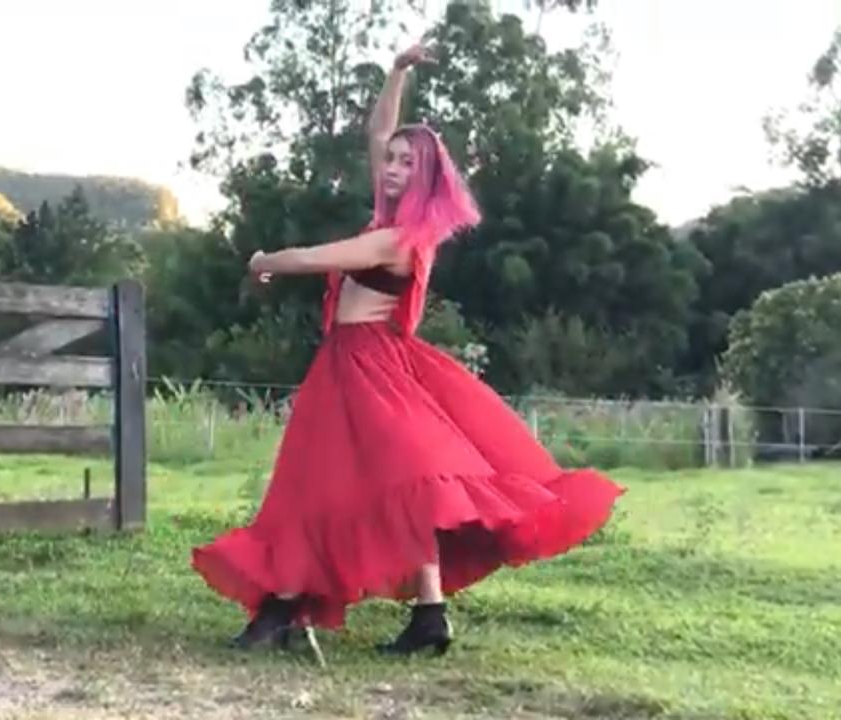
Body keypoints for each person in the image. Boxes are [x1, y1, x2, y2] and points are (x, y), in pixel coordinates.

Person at [189, 41, 625, 657]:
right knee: (372, 483)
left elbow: (313, 258)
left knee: (375, 482)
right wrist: (397, 72)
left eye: (404, 164)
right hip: (352, 362)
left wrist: (262, 259)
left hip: (367, 364)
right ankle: (421, 614)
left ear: (423, 180)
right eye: (390, 161)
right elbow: (378, 131)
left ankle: (292, 605)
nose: (390, 167)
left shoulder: (397, 241)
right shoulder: (388, 220)